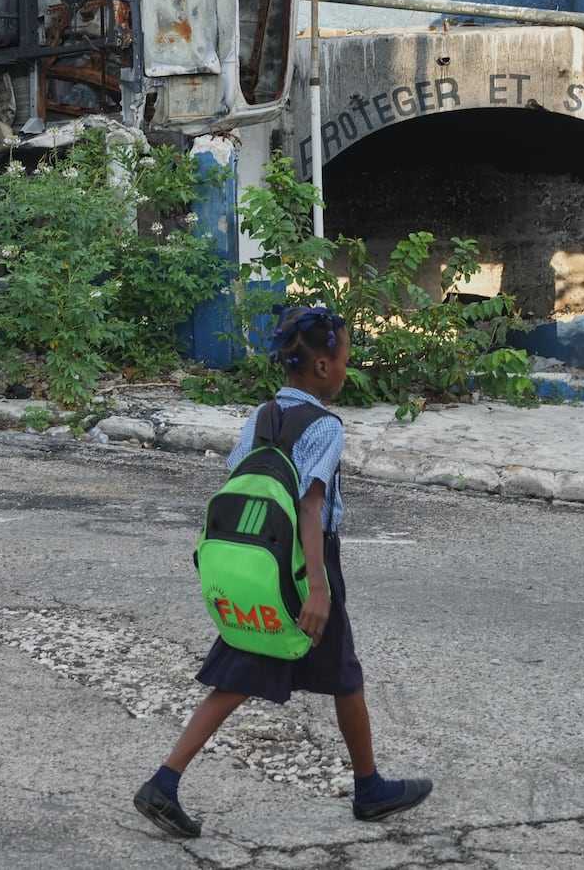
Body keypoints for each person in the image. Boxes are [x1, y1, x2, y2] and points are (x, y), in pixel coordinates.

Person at [134, 305, 433, 838]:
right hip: (303, 563)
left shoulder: (261, 415)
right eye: (344, 360)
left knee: (241, 668)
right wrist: (318, 588)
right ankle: (370, 789)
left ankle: (165, 781)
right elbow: (311, 509)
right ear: (321, 367)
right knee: (344, 673)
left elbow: (238, 480)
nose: (347, 370)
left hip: (257, 559)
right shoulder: (325, 426)